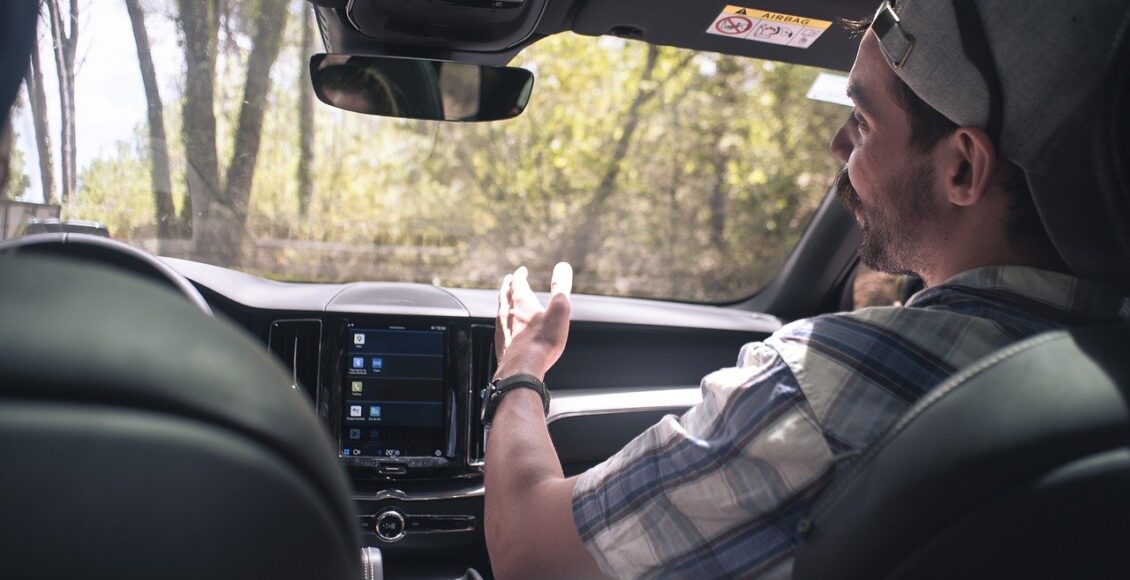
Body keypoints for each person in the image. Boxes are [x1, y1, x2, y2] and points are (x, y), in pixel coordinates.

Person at [480, 1, 1130, 578]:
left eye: (863, 122)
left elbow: (531, 554)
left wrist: (520, 372)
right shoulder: (1108, 370)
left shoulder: (818, 387)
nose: (837, 143)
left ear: (962, 166)